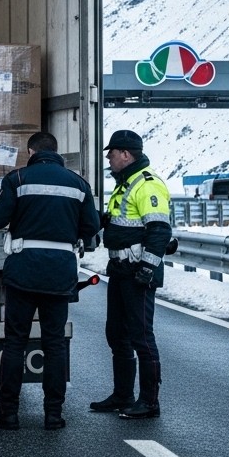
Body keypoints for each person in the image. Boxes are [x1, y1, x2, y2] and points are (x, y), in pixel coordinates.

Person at [0, 132, 100, 431]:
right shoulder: (79, 185)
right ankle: (53, 415)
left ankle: (8, 413)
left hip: (24, 270)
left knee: (15, 343)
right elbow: (92, 227)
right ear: (56, 152)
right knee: (55, 344)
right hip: (60, 273)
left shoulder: (18, 179)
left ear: (32, 151)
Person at [91, 129, 173, 419]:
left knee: (141, 336)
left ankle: (149, 402)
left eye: (112, 154)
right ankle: (122, 395)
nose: (109, 160)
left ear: (126, 154)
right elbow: (122, 221)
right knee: (117, 334)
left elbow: (160, 230)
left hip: (138, 271)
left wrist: (147, 269)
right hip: (120, 270)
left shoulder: (147, 184)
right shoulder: (125, 184)